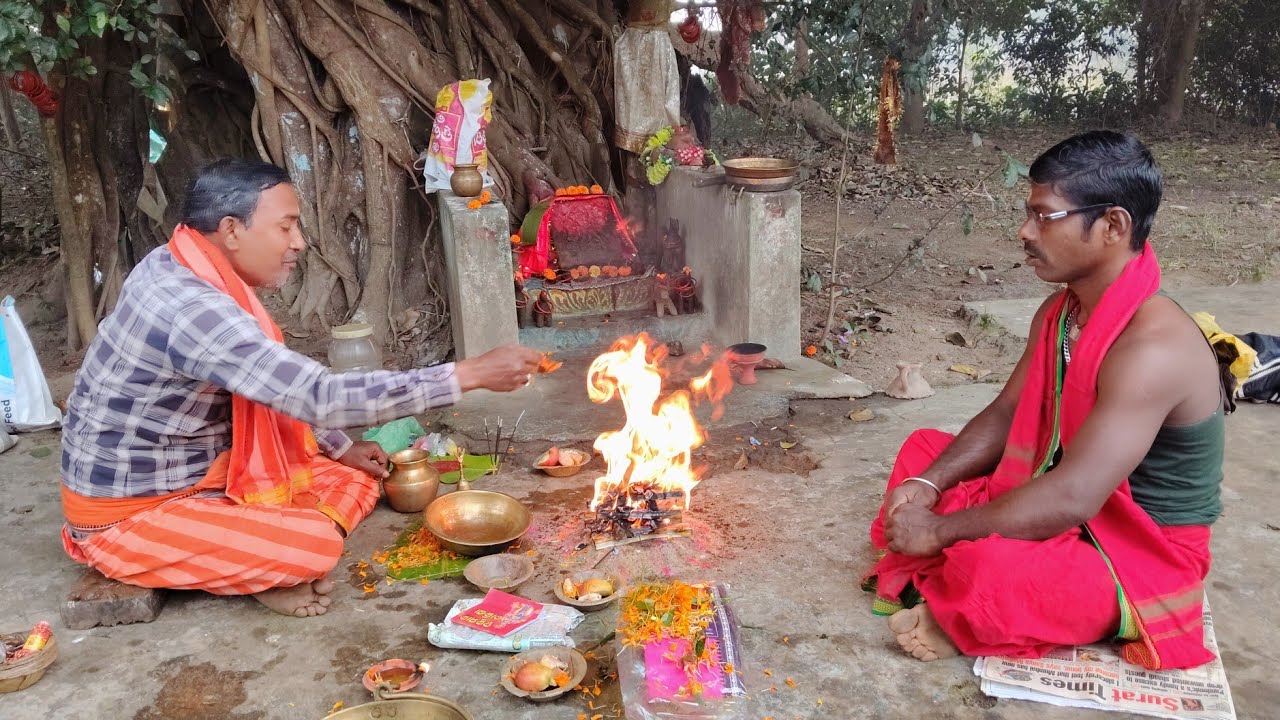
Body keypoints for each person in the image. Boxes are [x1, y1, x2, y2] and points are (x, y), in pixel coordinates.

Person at [60, 159, 542, 617]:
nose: (300, 243)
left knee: (359, 475)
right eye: (286, 226)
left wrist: (338, 447)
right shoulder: (188, 306)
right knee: (313, 547)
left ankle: (255, 552)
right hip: (131, 513)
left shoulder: (188, 261)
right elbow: (318, 397)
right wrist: (468, 374)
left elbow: (269, 388)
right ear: (231, 230)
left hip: (195, 472)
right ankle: (266, 571)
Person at [864, 131, 1226, 671]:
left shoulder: (1153, 348)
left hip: (1136, 550)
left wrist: (938, 530)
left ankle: (959, 599)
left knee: (990, 571)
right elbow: (1007, 414)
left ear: (1112, 226)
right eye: (1027, 214)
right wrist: (928, 485)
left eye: (1045, 217)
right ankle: (954, 581)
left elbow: (1075, 495)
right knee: (923, 454)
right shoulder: (1062, 314)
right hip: (1066, 495)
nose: (1025, 232)